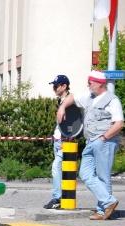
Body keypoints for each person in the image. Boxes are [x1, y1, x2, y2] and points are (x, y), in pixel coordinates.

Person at [57, 70, 123, 220]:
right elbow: (72, 97)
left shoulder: (112, 100)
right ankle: (109, 202)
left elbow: (119, 123)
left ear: (99, 84)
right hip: (91, 141)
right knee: (85, 174)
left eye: (90, 83)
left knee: (103, 177)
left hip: (104, 142)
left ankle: (103, 211)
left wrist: (104, 138)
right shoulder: (89, 97)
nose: (88, 85)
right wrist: (62, 107)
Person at [43, 75, 74, 209]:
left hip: (64, 142)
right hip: (57, 142)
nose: (54, 88)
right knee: (60, 170)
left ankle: (57, 198)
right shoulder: (61, 101)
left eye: (56, 86)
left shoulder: (69, 100)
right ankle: (63, 198)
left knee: (56, 168)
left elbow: (73, 122)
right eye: (53, 86)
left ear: (64, 86)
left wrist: (67, 137)